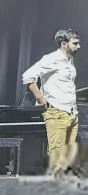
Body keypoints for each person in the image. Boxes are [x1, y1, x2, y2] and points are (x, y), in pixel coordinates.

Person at [21, 28, 81, 179]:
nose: (78, 46)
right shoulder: (51, 58)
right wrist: (40, 98)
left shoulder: (69, 60)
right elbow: (27, 76)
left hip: (71, 112)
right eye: (75, 43)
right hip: (56, 111)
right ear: (64, 44)